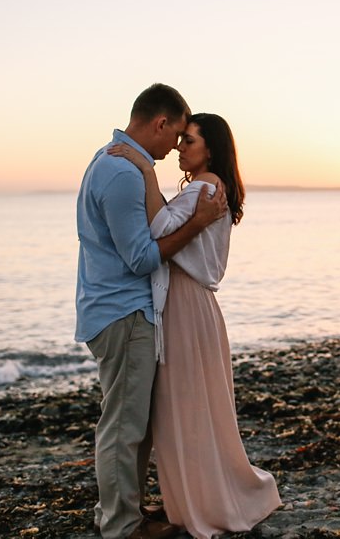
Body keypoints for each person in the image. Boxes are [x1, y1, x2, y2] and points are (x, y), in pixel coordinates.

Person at [108, 112, 281, 538]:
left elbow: (157, 229)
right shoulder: (211, 187)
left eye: (189, 141)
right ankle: (196, 497)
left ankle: (198, 503)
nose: (181, 148)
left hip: (186, 307)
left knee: (181, 410)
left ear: (211, 149)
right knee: (194, 409)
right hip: (195, 306)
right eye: (181, 140)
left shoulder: (205, 186)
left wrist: (144, 170)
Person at [76, 84, 227, 539]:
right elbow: (142, 258)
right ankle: (122, 526)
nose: (174, 148)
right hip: (123, 312)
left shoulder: (110, 159)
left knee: (131, 422)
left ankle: (126, 512)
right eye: (177, 134)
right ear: (160, 123)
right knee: (124, 425)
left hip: (116, 308)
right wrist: (199, 222)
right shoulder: (124, 172)